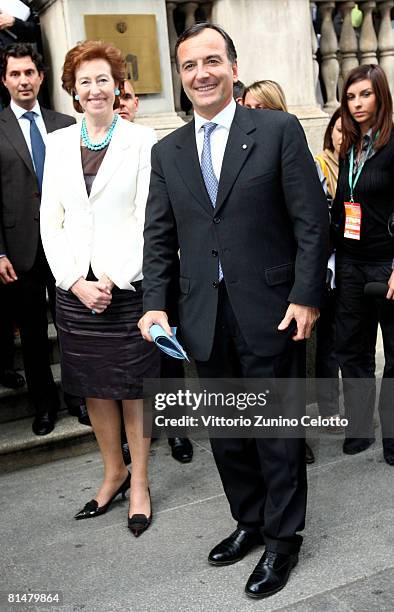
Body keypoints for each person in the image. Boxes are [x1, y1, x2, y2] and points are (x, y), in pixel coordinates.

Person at [139, 23, 329, 598]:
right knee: (228, 435)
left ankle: (282, 540)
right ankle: (249, 522)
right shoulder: (167, 151)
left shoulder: (276, 130)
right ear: (181, 75)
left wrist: (305, 296)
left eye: (212, 61)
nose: (202, 73)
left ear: (233, 64)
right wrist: (155, 306)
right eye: (190, 65)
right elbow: (158, 236)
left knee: (274, 433)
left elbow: (310, 223)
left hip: (271, 310)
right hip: (202, 317)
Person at [40, 40, 160, 535]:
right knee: (94, 387)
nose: (95, 89)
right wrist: (74, 282)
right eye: (85, 80)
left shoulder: (142, 139)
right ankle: (113, 471)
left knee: (132, 388)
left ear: (118, 86)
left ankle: (140, 484)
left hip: (124, 288)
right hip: (75, 294)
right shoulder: (57, 143)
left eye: (103, 79)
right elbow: (51, 219)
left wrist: (112, 275)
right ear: (73, 88)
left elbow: (146, 218)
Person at [114, 79, 194, 464]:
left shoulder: (155, 145)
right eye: (115, 98)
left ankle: (177, 428)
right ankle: (135, 431)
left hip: (159, 266)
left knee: (167, 355)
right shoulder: (91, 151)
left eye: (127, 96)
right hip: (115, 273)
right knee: (127, 361)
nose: (121, 104)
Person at [0, 43, 75, 434]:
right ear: (4, 80)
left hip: (66, 245)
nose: (23, 80)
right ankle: (44, 406)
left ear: (40, 77)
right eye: (15, 74)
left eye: (29, 72)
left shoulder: (65, 124)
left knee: (72, 327)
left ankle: (80, 399)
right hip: (20, 249)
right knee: (31, 334)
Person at [242, 78, 316, 465]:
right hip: (251, 281)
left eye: (261, 109)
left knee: (289, 374)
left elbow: (310, 222)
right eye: (247, 108)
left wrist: (306, 290)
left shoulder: (288, 145)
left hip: (287, 281)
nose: (253, 115)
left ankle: (294, 438)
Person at [331, 64, 394, 465]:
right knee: (351, 349)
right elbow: (343, 204)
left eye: (365, 95)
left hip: (387, 263)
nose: (356, 104)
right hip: (351, 263)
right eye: (351, 97)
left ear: (381, 96)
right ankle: (359, 427)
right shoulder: (350, 146)